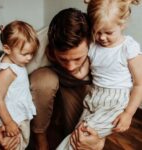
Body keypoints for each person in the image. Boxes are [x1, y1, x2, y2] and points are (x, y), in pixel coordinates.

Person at [57, 0, 142, 149]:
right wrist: (70, 67)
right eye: (97, 32)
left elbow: (139, 84)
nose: (102, 38)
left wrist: (128, 114)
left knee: (78, 137)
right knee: (80, 139)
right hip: (93, 97)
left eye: (108, 33)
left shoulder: (128, 47)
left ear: (122, 24)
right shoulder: (92, 46)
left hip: (114, 102)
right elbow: (83, 72)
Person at [30, 8, 104, 150]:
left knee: (82, 138)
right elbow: (4, 82)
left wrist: (99, 140)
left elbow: (112, 95)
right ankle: (41, 141)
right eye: (63, 59)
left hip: (80, 86)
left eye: (77, 58)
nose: (71, 67)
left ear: (89, 44)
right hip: (48, 76)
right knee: (43, 81)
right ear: (51, 50)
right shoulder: (36, 43)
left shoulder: (102, 44)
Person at [0, 20, 39, 149]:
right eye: (25, 54)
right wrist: (8, 123)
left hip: (16, 115)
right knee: (14, 145)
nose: (29, 58)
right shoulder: (7, 71)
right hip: (11, 118)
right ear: (7, 49)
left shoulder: (15, 61)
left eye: (32, 53)